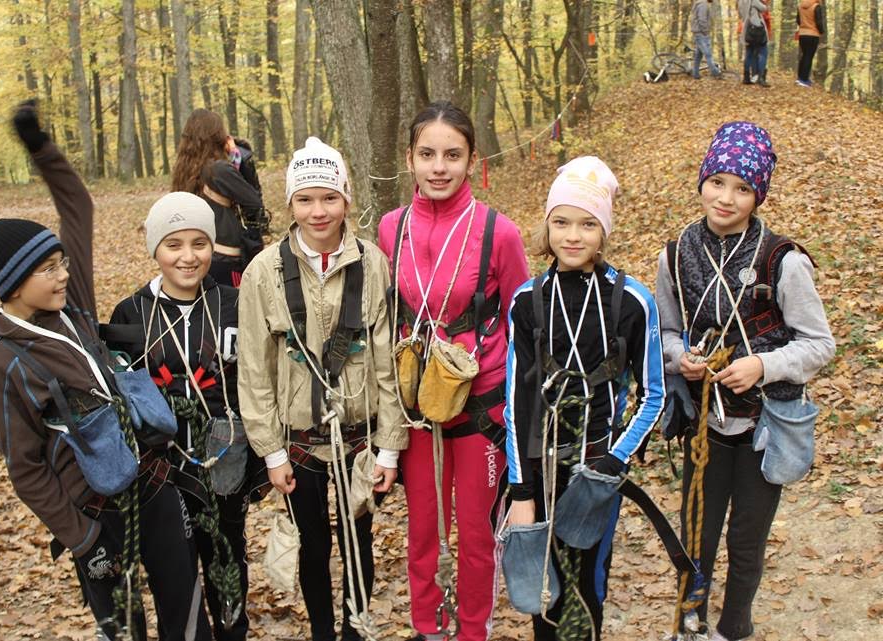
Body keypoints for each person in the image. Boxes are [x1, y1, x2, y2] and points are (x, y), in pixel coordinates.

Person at [0, 102, 210, 641]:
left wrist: (42, 149)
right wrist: (82, 539)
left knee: (188, 615)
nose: (62, 275)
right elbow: (25, 466)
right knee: (125, 630)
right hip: (93, 515)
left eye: (61, 263)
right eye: (46, 270)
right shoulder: (3, 363)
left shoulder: (73, 305)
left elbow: (77, 207)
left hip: (152, 486)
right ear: (13, 286)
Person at [656, 122, 834, 641]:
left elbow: (820, 344)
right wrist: (678, 358)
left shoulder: (784, 260)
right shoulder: (676, 253)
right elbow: (665, 329)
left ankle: (735, 629)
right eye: (717, 182)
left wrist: (763, 365)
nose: (726, 198)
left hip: (766, 425)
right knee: (697, 537)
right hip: (703, 422)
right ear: (702, 181)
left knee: (747, 539)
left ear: (759, 195)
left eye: (743, 188)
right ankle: (691, 627)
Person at [238, 136, 408, 641]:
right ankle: (322, 633)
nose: (318, 211)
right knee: (313, 544)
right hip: (299, 440)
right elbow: (255, 370)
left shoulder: (372, 264)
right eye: (305, 199)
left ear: (346, 200)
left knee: (358, 539)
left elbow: (386, 363)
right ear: (289, 203)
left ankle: (356, 628)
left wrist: (390, 447)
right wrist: (270, 452)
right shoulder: (262, 273)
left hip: (358, 436)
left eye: (329, 197)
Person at [377, 101, 530, 641]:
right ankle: (426, 626)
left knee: (474, 534)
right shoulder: (390, 229)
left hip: (481, 407)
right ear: (410, 160)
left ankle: (472, 631)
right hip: (418, 408)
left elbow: (523, 328)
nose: (438, 167)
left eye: (452, 155)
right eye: (427, 154)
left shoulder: (499, 232)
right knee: (422, 529)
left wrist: (515, 413)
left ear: (471, 161)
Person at [503, 157, 666, 640]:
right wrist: (521, 491)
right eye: (561, 222)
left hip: (598, 468)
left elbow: (653, 395)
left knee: (589, 584)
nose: (573, 236)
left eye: (588, 224)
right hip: (540, 465)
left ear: (604, 231)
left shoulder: (632, 301)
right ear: (547, 226)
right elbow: (516, 402)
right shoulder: (527, 301)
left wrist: (614, 462)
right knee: (540, 587)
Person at [106, 192, 264, 640]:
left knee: (227, 566)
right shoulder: (131, 314)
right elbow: (120, 396)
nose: (188, 256)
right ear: (155, 248)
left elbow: (257, 379)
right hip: (161, 472)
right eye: (174, 244)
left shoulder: (234, 303)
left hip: (225, 462)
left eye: (199, 243)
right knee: (175, 579)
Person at [172, 108, 267, 286]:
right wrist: (244, 161)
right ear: (217, 135)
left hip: (196, 257)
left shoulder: (184, 170)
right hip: (225, 258)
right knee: (231, 309)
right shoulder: (219, 170)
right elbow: (255, 202)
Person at [739, 0, 770, 87]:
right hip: (757, 29)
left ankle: (746, 77)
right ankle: (761, 78)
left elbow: (741, 13)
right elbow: (764, 8)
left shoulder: (740, 2)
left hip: (747, 29)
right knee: (763, 52)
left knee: (749, 53)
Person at [690, 0, 722, 80]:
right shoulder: (703, 4)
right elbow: (702, 19)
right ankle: (715, 71)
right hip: (701, 33)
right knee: (708, 53)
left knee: (698, 55)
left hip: (698, 32)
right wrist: (706, 31)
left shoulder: (700, 3)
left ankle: (695, 73)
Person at [796, 0, 825, 87]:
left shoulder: (800, 5)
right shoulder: (816, 6)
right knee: (809, 56)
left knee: (804, 55)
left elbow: (798, 20)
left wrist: (804, 25)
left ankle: (800, 77)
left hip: (802, 34)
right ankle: (804, 79)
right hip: (813, 34)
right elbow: (819, 22)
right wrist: (821, 31)